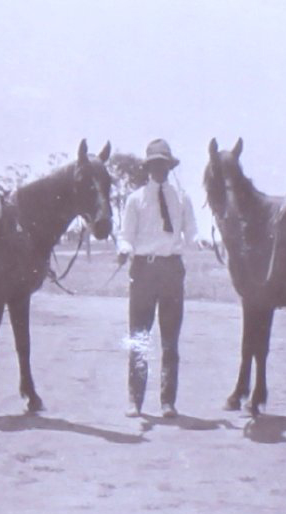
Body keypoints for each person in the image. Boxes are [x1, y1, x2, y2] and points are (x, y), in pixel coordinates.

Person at [116, 139, 198, 419]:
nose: (159, 170)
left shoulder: (182, 197)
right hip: (143, 271)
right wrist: (124, 250)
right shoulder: (135, 199)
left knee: (170, 341)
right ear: (148, 168)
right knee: (139, 337)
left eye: (164, 164)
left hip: (171, 271)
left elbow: (192, 232)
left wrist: (201, 243)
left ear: (169, 166)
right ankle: (134, 400)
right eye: (155, 165)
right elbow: (126, 235)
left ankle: (167, 401)